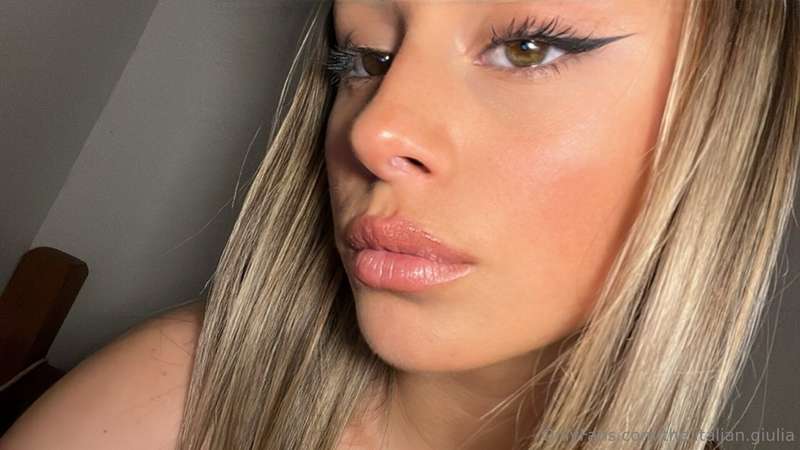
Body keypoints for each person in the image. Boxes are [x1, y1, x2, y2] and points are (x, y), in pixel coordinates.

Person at [2, 0, 798, 449]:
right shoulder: (172, 399)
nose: (373, 131)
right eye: (364, 62)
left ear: (734, 114)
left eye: (527, 49)